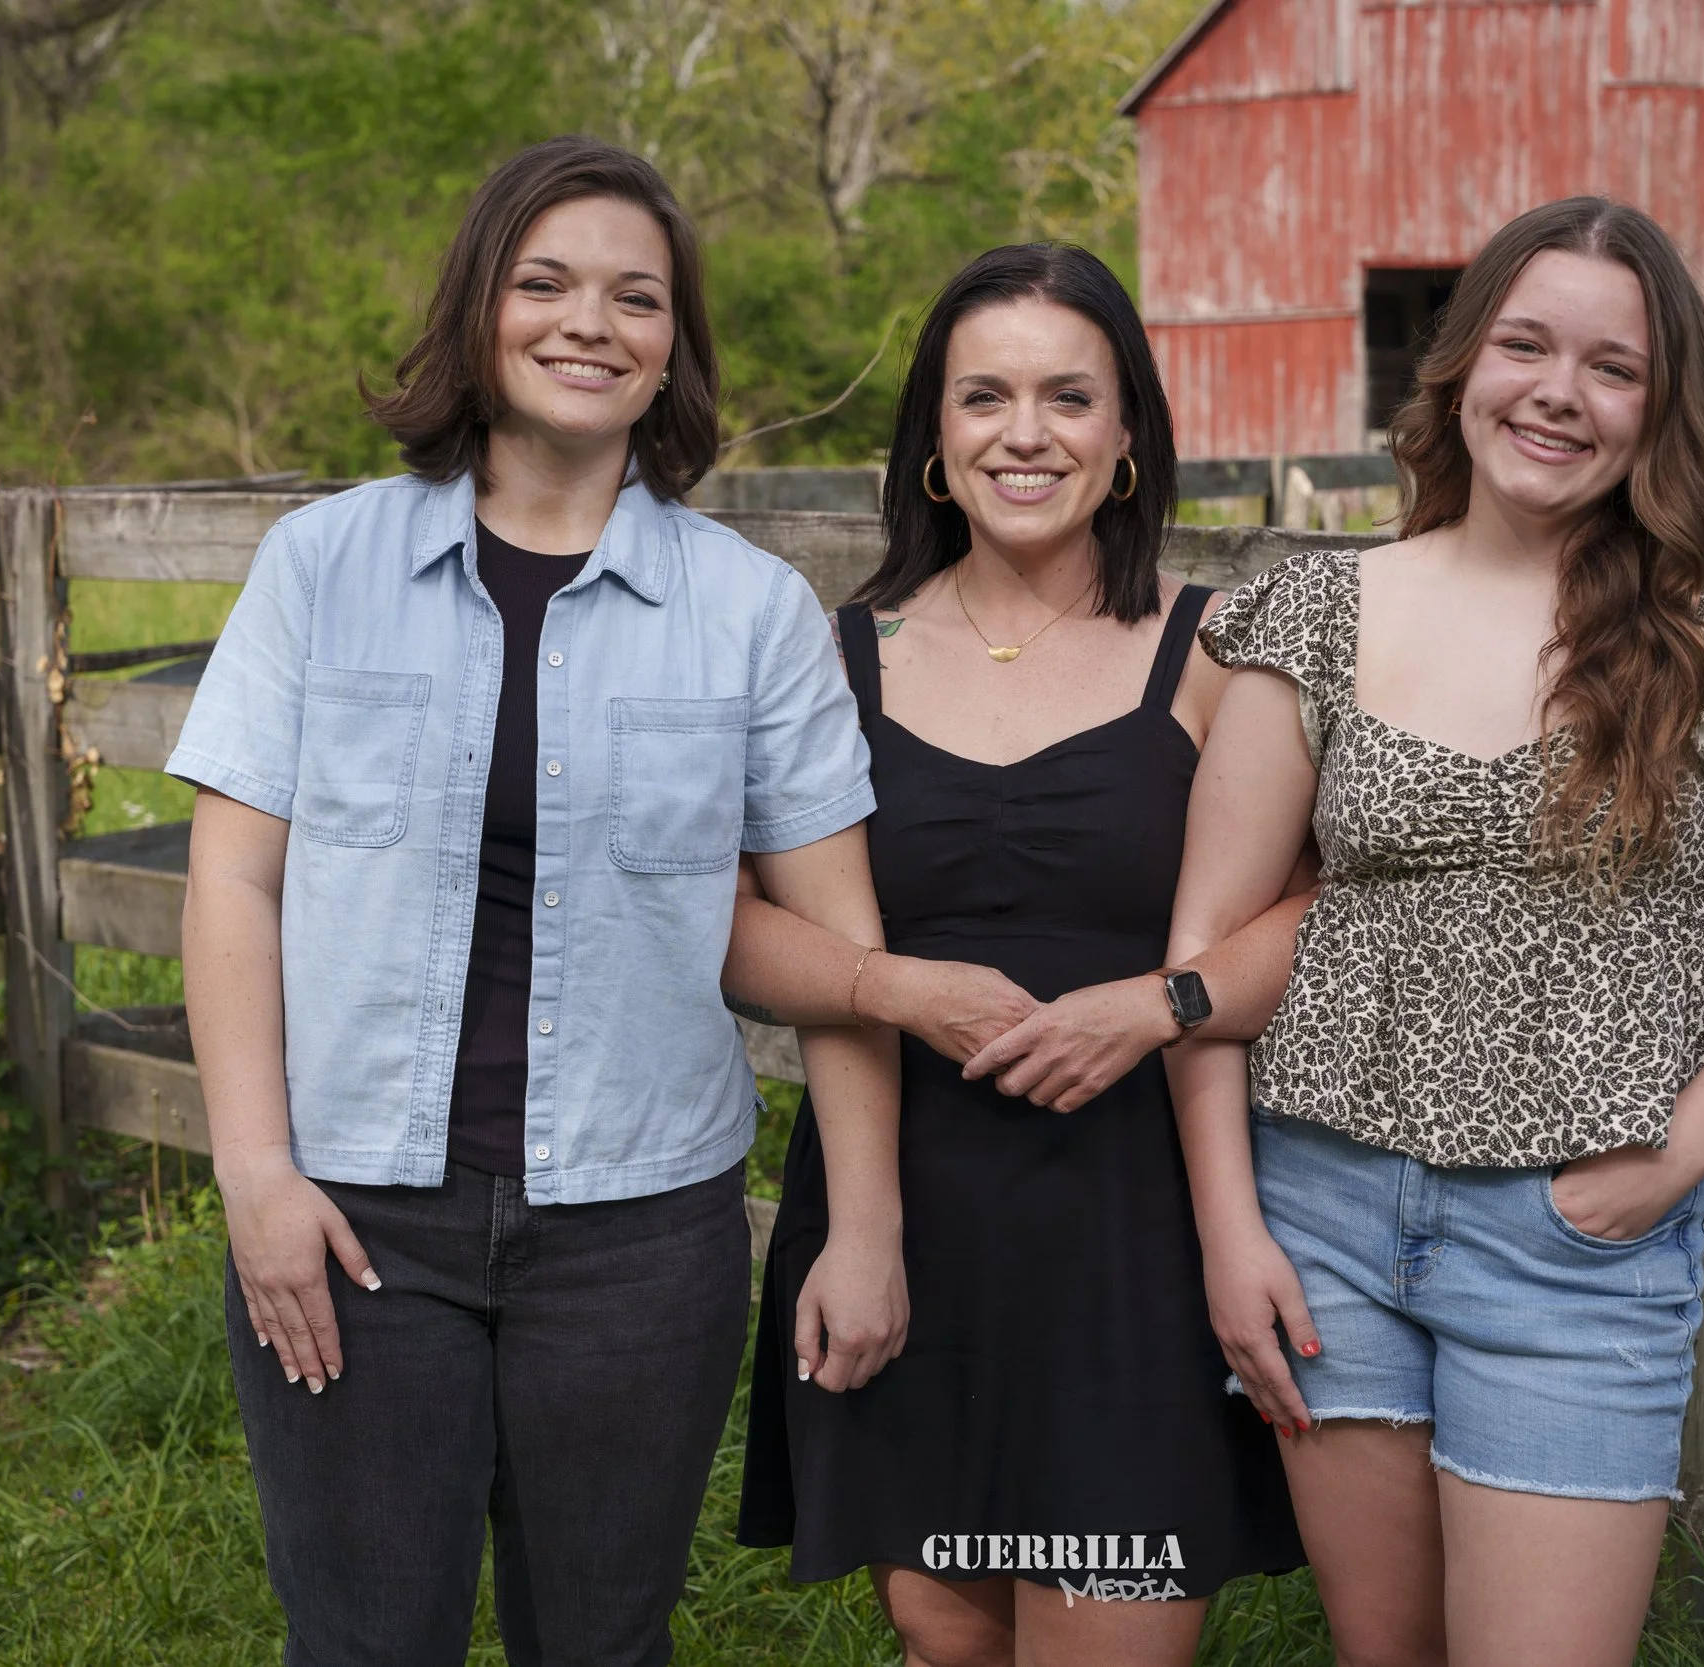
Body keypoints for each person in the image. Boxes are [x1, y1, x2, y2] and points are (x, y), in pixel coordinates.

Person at [171, 136, 903, 1667]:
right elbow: (235, 879)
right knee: (368, 1641)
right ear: (480, 310)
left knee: (603, 1644)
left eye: (638, 298)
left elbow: (845, 963)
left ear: (672, 351)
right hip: (359, 1216)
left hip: (640, 1240)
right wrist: (255, 1173)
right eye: (546, 282)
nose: (591, 322)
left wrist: (868, 1226)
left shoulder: (753, 614)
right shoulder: (321, 565)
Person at [1164, 196, 1704, 1667]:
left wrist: (1674, 1159)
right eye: (1527, 344)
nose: (1559, 391)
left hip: (1576, 1240)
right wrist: (1231, 1228)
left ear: (1660, 407)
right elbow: (1205, 953)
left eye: (1611, 367)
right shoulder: (1318, 609)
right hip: (1326, 1219)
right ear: (1461, 366)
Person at [725, 243, 1305, 1667]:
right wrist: (893, 995)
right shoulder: (836, 658)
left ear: (1126, 436)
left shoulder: (1221, 652)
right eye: (985, 396)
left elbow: (1313, 919)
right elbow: (735, 933)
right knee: (946, 1633)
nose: (1025, 432)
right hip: (906, 1220)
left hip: (1135, 1229)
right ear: (936, 433)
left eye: (1068, 396)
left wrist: (1157, 1006)